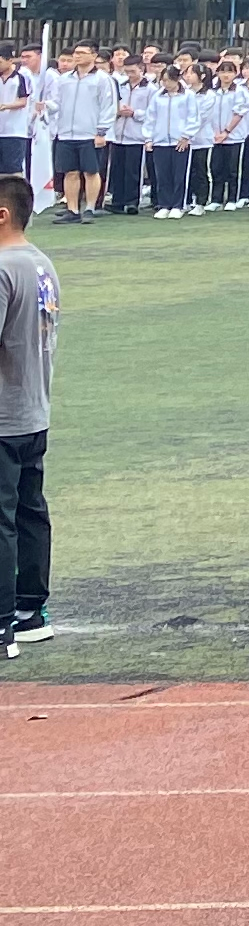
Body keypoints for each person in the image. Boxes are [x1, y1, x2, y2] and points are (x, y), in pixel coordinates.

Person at [0, 177, 46, 649]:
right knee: (31, 511)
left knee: (2, 518)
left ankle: (1, 622)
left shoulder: (2, 267)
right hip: (34, 408)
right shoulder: (42, 263)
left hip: (3, 416)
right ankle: (32, 610)